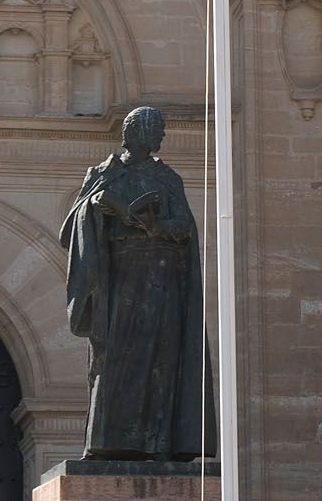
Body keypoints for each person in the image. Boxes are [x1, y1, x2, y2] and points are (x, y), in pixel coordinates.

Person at [59, 105, 212, 460]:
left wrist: (158, 227)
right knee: (115, 357)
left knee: (162, 358)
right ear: (134, 132)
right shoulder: (103, 174)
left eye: (160, 130)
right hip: (120, 279)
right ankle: (109, 441)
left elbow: (186, 228)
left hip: (162, 279)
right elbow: (72, 228)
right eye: (154, 129)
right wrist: (97, 207)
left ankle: (158, 442)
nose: (160, 136)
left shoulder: (167, 178)